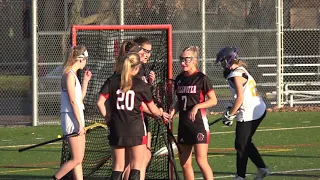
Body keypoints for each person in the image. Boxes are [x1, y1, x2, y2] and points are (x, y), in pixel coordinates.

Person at [105, 53, 170, 180]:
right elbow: (152, 109)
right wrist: (161, 112)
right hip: (135, 129)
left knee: (118, 166)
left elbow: (101, 102)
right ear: (136, 68)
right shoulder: (140, 84)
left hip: (117, 128)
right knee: (136, 166)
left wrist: (108, 117)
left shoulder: (113, 81)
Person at [216, 47, 270, 180]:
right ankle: (262, 168)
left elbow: (240, 98)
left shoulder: (236, 75)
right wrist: (231, 107)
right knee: (243, 143)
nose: (222, 65)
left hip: (250, 112)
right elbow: (242, 96)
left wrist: (230, 115)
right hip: (257, 109)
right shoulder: (240, 70)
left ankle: (240, 176)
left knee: (241, 145)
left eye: (223, 62)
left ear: (229, 60)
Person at [169, 46, 217, 180]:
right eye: (181, 59)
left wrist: (197, 107)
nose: (183, 62)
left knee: (201, 161)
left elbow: (213, 100)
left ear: (194, 60)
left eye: (187, 59)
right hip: (184, 124)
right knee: (184, 163)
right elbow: (180, 101)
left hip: (198, 124)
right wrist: (173, 110)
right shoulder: (179, 79)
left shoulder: (202, 78)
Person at [52, 45, 92, 180]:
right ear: (80, 59)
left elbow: (79, 99)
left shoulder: (73, 76)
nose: (86, 62)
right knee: (76, 159)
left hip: (77, 117)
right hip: (72, 119)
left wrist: (85, 81)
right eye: (86, 59)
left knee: (78, 159)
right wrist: (80, 124)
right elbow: (73, 102)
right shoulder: (68, 76)